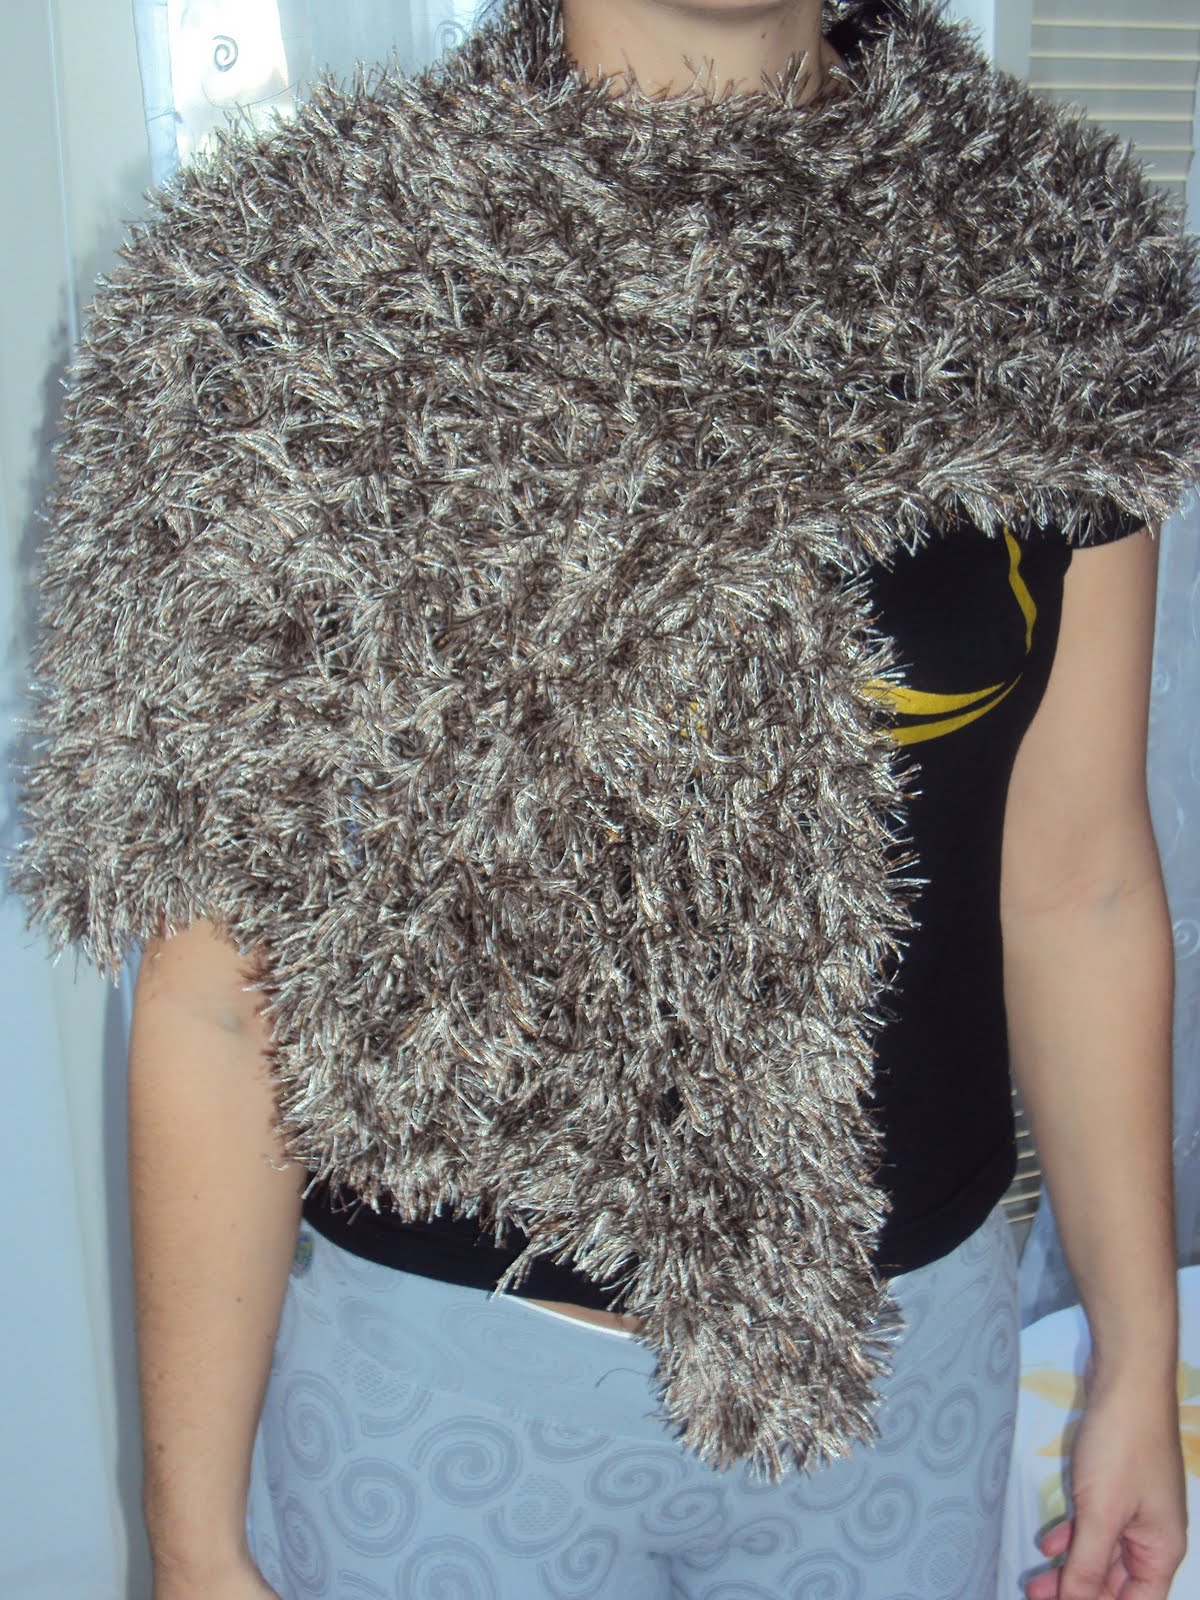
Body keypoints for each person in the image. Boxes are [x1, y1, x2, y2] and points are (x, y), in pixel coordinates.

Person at [9, 0, 1189, 1597]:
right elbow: (222, 989)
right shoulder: (304, 289)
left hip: (903, 1373)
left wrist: (1135, 1350)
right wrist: (192, 1541)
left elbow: (1078, 884)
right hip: (442, 1384)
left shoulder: (1051, 272)